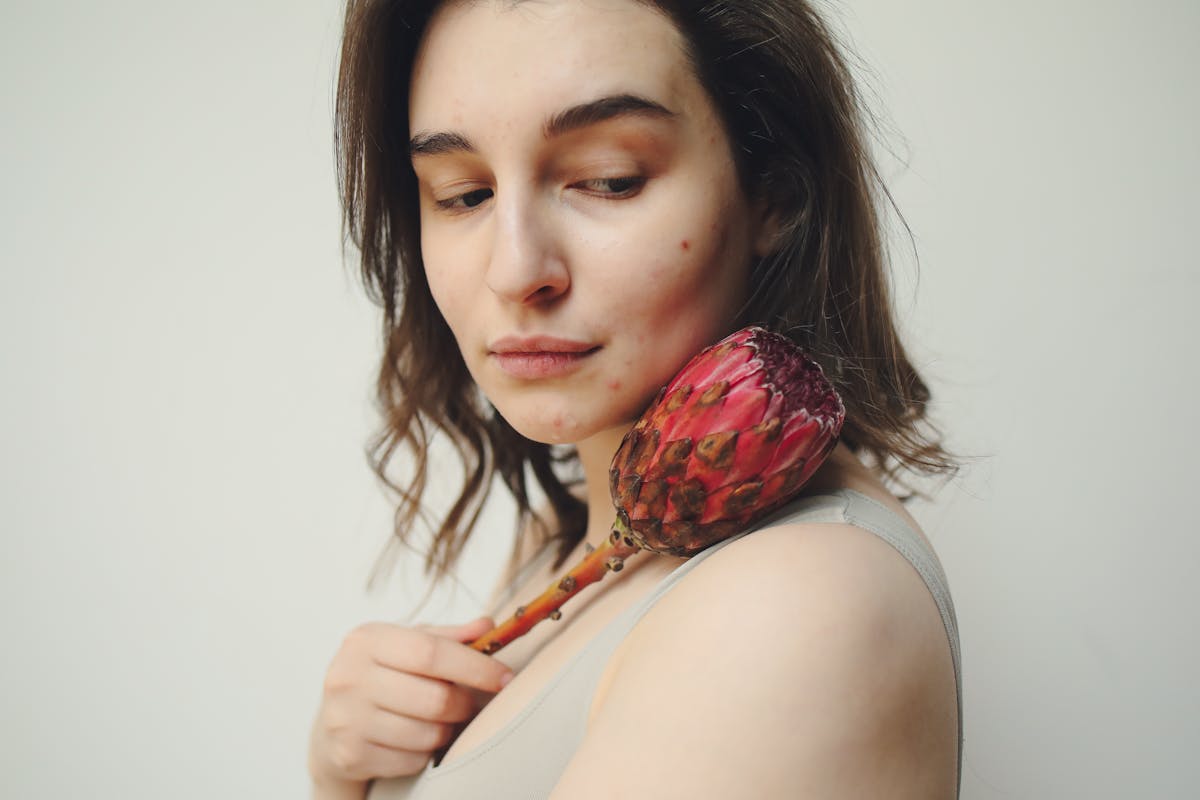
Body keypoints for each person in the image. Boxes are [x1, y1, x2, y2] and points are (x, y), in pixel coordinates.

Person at [309, 0, 963, 797]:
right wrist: (343, 773)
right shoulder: (562, 537)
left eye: (609, 179)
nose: (516, 270)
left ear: (775, 195)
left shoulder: (792, 603)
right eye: (461, 193)